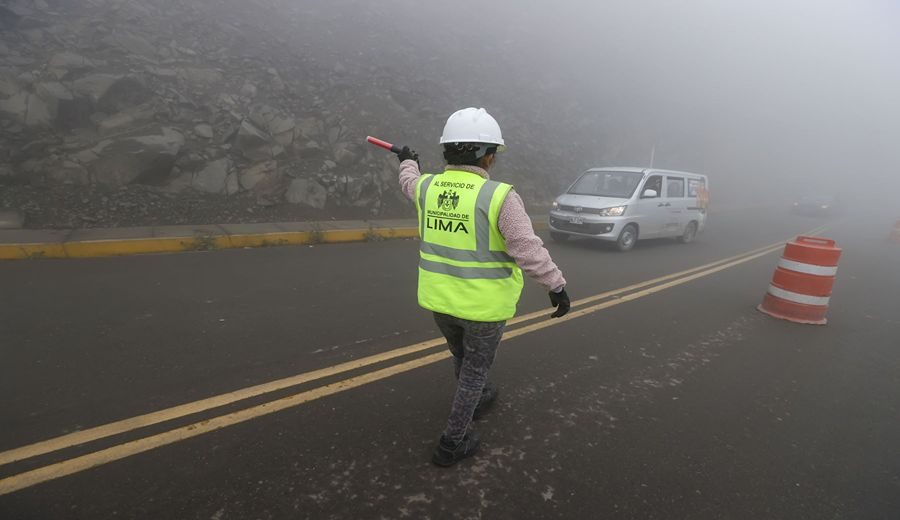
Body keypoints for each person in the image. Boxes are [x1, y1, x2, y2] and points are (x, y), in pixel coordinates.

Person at [395, 107, 570, 467]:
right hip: (483, 310)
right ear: (488, 155)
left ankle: (479, 396)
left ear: (447, 152)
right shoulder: (498, 197)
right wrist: (555, 285)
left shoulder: (427, 186)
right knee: (474, 371)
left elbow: (408, 182)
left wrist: (407, 161)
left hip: (439, 303)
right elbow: (526, 248)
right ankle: (452, 442)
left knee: (462, 358)